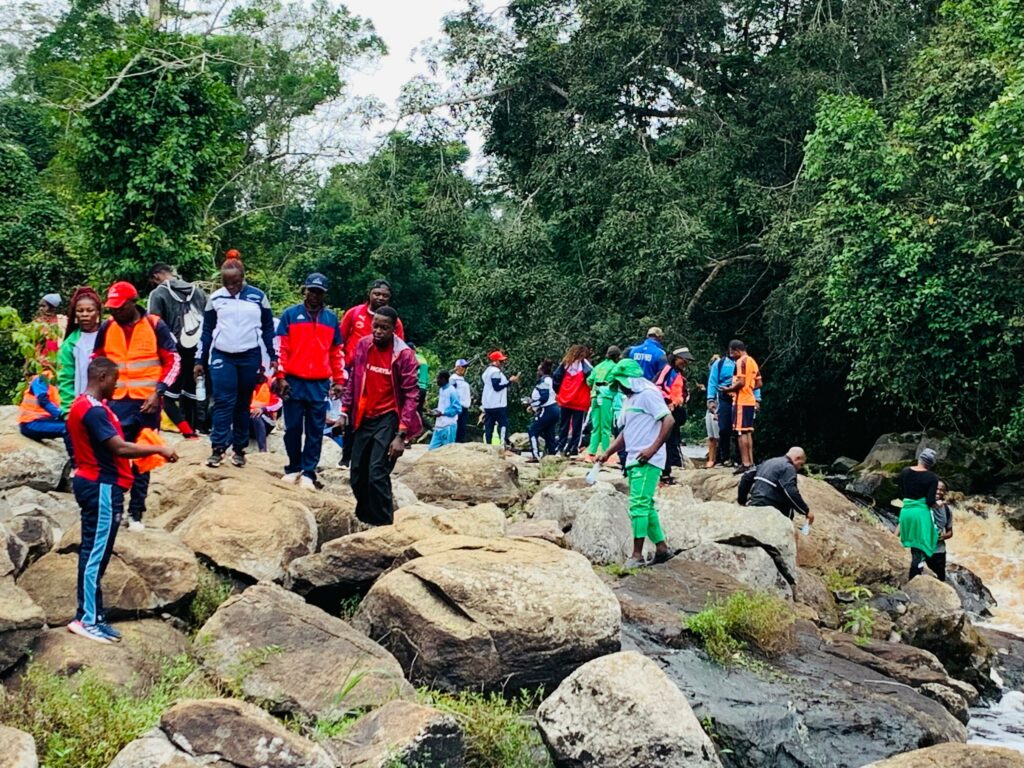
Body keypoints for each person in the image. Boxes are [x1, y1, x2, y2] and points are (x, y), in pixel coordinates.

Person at [66, 357, 178, 644]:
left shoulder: (91, 406)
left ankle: (94, 615)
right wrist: (159, 450)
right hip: (101, 486)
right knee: (94, 554)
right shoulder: (91, 410)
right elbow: (118, 447)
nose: (118, 385)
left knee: (97, 552)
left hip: (100, 484)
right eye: (115, 380)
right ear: (102, 377)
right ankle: (86, 618)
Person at [94, 281, 180, 532]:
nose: (114, 312)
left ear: (133, 302)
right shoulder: (107, 328)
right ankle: (117, 509)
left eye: (119, 307)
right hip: (117, 403)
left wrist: (159, 392)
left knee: (144, 458)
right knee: (116, 455)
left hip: (147, 404)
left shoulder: (154, 325)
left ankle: (136, 513)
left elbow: (173, 360)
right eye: (111, 308)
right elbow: (96, 361)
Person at [341, 306, 422, 526]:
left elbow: (411, 395)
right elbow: (354, 381)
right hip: (363, 416)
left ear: (393, 329)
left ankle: (384, 524)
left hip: (389, 418)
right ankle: (365, 519)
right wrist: (343, 412)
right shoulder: (363, 345)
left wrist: (401, 435)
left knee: (377, 473)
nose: (378, 331)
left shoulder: (404, 354)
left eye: (384, 328)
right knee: (357, 475)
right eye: (375, 326)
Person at [195, 258, 277, 469]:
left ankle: (239, 450)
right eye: (226, 282)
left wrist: (273, 356)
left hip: (250, 355)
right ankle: (218, 448)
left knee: (243, 402)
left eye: (236, 282)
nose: (231, 287)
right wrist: (199, 360)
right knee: (223, 401)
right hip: (223, 355)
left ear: (243, 278)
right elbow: (206, 331)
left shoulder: (258, 297)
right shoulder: (216, 298)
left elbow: (268, 329)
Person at [596, 358, 676, 569]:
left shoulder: (648, 394)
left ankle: (637, 555)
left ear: (632, 379)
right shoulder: (629, 399)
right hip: (633, 458)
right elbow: (627, 432)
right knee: (646, 505)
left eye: (622, 383)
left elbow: (668, 420)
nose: (620, 388)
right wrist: (607, 453)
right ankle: (662, 549)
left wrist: (652, 449)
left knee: (638, 506)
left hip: (648, 459)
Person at [273, 273, 345, 491]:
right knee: (292, 427)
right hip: (293, 381)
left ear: (324, 294)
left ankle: (309, 471)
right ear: (305, 290)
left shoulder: (331, 319)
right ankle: (293, 466)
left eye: (319, 292)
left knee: (315, 430)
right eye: (311, 290)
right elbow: (281, 349)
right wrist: (281, 377)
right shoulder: (290, 315)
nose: (314, 295)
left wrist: (339, 380)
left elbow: (336, 352)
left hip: (319, 382)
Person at [339, 279, 406, 466]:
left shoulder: (395, 321)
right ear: (369, 294)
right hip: (354, 369)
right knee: (351, 411)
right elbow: (340, 339)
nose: (380, 298)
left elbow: (400, 350)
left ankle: (369, 456)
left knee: (373, 413)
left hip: (381, 372)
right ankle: (346, 457)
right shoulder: (354, 313)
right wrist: (340, 368)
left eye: (385, 295)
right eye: (377, 294)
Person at [148, 263, 207, 439]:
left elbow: (153, 324)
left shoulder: (158, 293)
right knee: (191, 392)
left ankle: (188, 433)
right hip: (197, 351)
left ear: (157, 276)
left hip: (173, 351)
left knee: (166, 397)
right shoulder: (198, 292)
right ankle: (195, 430)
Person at [896, 448, 941, 582]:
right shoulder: (932, 478)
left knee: (909, 543)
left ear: (919, 459)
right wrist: (938, 504)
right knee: (919, 547)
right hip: (920, 515)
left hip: (906, 511)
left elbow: (902, 492)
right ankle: (914, 577)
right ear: (931, 464)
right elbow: (930, 501)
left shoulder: (905, 471)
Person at [57, 287, 103, 418]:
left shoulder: (108, 336)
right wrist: (67, 410)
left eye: (90, 310)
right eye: (80, 311)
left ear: (98, 313)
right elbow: (65, 378)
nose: (85, 314)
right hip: (81, 408)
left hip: (108, 405)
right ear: (75, 315)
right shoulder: (70, 344)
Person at [737, 448, 815, 525]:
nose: (800, 468)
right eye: (801, 464)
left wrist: (742, 501)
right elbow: (790, 491)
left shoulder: (769, 462)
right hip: (772, 512)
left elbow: (746, 477)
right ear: (797, 458)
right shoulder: (788, 468)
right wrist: (806, 511)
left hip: (755, 505)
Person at [653, 348, 694, 484]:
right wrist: (668, 401)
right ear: (676, 358)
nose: (685, 363)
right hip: (667, 411)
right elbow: (658, 386)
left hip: (675, 411)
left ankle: (669, 471)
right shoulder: (667, 370)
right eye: (683, 359)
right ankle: (665, 472)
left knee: (672, 440)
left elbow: (681, 392)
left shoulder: (678, 373)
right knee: (668, 441)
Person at [720, 339, 760, 473]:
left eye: (732, 353)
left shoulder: (741, 361)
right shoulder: (752, 361)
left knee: (741, 432)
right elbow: (759, 383)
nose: (731, 356)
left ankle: (746, 463)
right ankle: (751, 461)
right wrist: (750, 387)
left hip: (741, 401)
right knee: (748, 431)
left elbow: (741, 382)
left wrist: (729, 389)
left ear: (736, 350)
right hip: (750, 400)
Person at [553, 345, 593, 457]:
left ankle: (560, 448)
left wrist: (559, 392)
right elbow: (592, 378)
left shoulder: (565, 364)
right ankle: (573, 448)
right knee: (577, 427)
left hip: (565, 399)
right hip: (579, 401)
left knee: (563, 425)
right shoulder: (585, 366)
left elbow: (556, 378)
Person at [586, 346, 620, 461]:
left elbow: (589, 380)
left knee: (596, 426)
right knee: (605, 427)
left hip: (594, 396)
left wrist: (594, 387)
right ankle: (606, 452)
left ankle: (591, 452)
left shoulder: (598, 366)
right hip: (605, 397)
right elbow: (612, 381)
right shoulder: (614, 367)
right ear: (617, 356)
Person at [481, 351, 519, 448]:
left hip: (488, 403)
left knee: (489, 425)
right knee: (503, 424)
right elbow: (497, 387)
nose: (502, 363)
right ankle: (503, 444)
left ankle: (487, 446)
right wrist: (510, 382)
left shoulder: (487, 371)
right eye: (500, 361)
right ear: (495, 361)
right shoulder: (495, 372)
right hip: (497, 403)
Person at [527, 359, 560, 461]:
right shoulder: (551, 380)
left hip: (547, 409)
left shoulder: (544, 381)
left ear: (542, 370)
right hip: (555, 408)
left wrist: (532, 404)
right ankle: (552, 455)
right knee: (549, 432)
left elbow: (544, 397)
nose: (537, 372)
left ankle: (535, 455)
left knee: (532, 430)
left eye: (538, 370)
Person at [18, 368, 65, 441]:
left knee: (78, 425)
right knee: (71, 428)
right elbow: (43, 400)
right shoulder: (42, 378)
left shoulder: (55, 379)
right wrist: (62, 416)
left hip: (46, 420)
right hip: (31, 423)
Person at [927, 480, 954, 582]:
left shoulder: (947, 510)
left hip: (938, 552)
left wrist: (943, 537)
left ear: (945, 493)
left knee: (940, 580)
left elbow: (950, 532)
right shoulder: (922, 505)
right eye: (936, 489)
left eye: (942, 490)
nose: (938, 492)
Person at [429, 370, 462, 450]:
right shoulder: (441, 390)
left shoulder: (452, 391)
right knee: (431, 449)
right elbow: (443, 406)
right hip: (439, 426)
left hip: (448, 426)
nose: (437, 381)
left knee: (448, 451)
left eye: (438, 378)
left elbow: (458, 409)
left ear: (443, 379)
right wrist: (434, 411)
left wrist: (442, 413)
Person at [249, 372, 282, 453]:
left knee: (256, 416)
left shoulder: (271, 383)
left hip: (266, 421)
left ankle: (263, 450)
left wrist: (263, 409)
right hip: (248, 421)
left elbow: (279, 403)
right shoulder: (246, 384)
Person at [704, 355, 721, 468]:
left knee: (719, 435)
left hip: (719, 406)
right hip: (710, 408)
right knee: (711, 436)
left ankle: (720, 458)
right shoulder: (711, 380)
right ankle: (711, 459)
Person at [450, 358, 473, 442]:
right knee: (457, 427)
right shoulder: (453, 379)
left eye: (464, 367)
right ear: (457, 368)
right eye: (461, 367)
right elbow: (451, 392)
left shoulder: (463, 380)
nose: (463, 369)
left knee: (462, 428)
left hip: (465, 407)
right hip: (458, 406)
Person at [413, 345, 429, 418]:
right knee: (419, 411)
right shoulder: (423, 358)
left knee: (413, 411)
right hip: (424, 388)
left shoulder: (412, 357)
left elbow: (416, 372)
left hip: (416, 387)